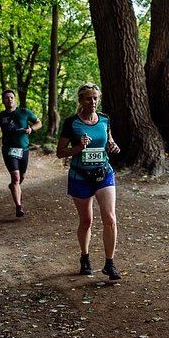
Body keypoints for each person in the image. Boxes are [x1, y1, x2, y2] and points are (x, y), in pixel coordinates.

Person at [56, 83, 122, 281]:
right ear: (81, 100)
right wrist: (78, 147)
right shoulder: (71, 123)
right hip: (80, 176)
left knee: (110, 218)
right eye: (88, 98)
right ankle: (85, 257)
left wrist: (113, 145)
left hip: (103, 173)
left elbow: (108, 140)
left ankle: (109, 264)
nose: (92, 102)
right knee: (86, 221)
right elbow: (60, 153)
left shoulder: (104, 119)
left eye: (95, 98)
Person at [0, 89, 42, 217]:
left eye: (11, 97)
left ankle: (14, 186)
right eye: (6, 98)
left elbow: (38, 123)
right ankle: (19, 206)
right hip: (9, 150)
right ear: (3, 100)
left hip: (23, 149)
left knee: (22, 177)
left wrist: (31, 129)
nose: (9, 99)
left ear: (15, 99)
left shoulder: (24, 112)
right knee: (16, 178)